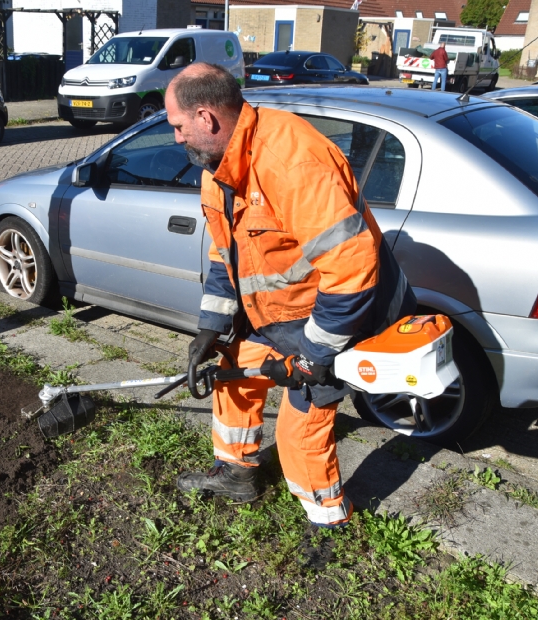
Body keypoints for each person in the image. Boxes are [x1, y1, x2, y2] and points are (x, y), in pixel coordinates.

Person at [166, 63, 414, 528]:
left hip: (338, 318)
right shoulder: (217, 168)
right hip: (280, 315)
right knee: (232, 375)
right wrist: (210, 328)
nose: (177, 138)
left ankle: (328, 520)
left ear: (206, 117)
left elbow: (351, 270)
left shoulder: (292, 161)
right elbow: (228, 256)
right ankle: (236, 474)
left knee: (300, 428)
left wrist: (316, 354)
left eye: (178, 126)